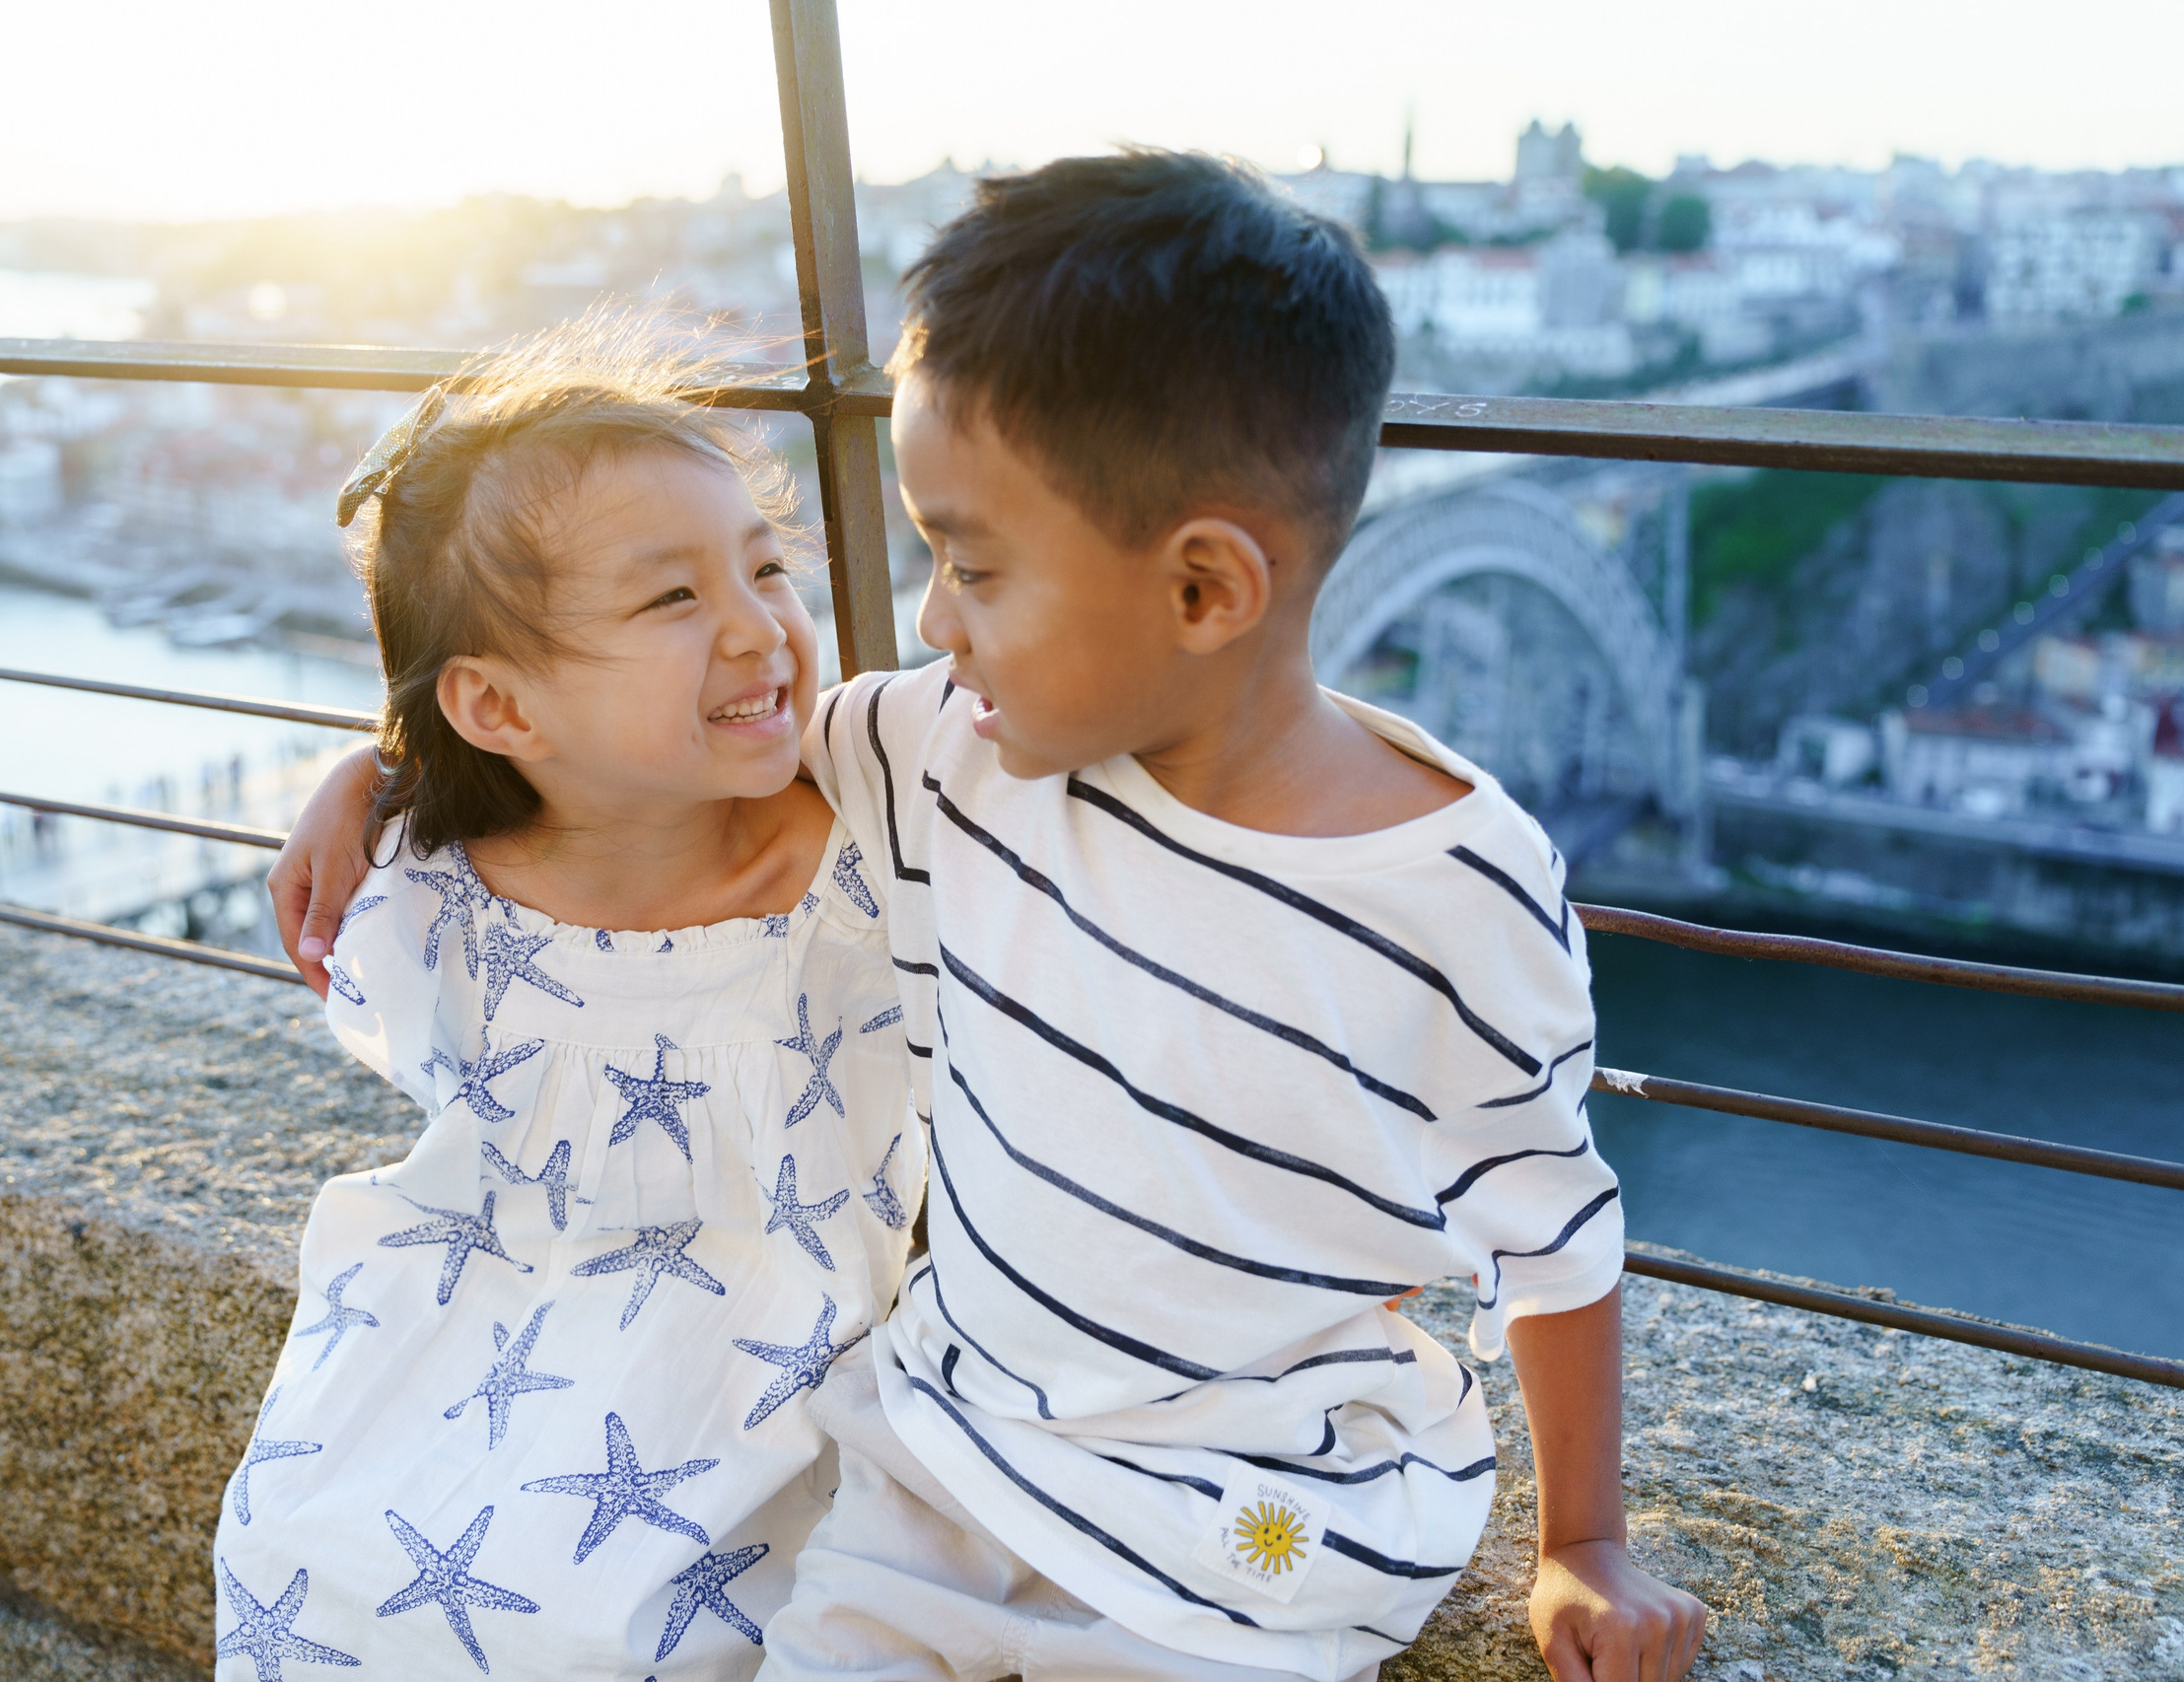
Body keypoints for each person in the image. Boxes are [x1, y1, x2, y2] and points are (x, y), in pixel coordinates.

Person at [275, 154, 1709, 1681]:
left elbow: (1550, 1232)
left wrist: (1583, 1544)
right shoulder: (948, 745)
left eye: (974, 564)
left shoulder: (1454, 889)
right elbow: (633, 743)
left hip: (1247, 1533)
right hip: (943, 1472)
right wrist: (382, 767)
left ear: (1205, 589)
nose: (935, 618)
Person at [221, 317, 919, 1680]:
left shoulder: (875, 834)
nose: (758, 624)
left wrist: (374, 769)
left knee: (613, 1630)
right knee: (301, 1551)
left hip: (785, 1355)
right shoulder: (442, 877)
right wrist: (375, 774)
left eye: (765, 565)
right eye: (672, 600)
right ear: (497, 707)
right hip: (505, 1314)